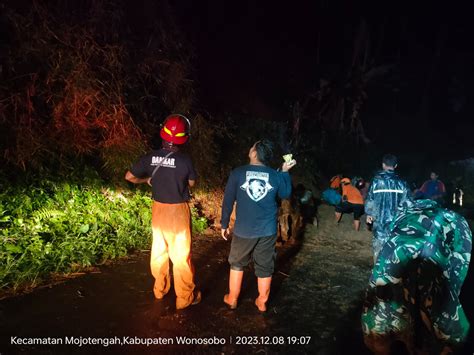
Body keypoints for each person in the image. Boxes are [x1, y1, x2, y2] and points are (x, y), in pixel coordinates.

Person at [362, 199, 472, 354]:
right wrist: (452, 287)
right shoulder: (454, 218)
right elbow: (461, 260)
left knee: (382, 319)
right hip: (430, 260)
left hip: (392, 261)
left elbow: (390, 238)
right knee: (446, 325)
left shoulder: (403, 215)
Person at [125, 114, 201, 310]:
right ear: (184, 138)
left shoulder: (150, 157)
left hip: (158, 211)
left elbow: (130, 177)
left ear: (163, 133)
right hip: (178, 212)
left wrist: (146, 180)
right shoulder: (185, 161)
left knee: (159, 251)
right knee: (181, 255)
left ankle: (160, 289)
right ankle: (184, 298)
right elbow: (192, 183)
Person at [220, 140, 296, 312]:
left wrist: (224, 223)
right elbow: (285, 194)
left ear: (254, 153)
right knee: (264, 265)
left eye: (252, 147)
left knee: (237, 262)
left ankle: (232, 298)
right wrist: (284, 172)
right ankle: (262, 301)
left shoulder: (238, 172)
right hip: (267, 230)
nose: (250, 149)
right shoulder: (275, 175)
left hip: (243, 230)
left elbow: (228, 200)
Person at [365, 154, 411, 259]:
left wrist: (369, 213)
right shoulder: (402, 183)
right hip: (396, 224)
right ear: (395, 166)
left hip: (379, 222)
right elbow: (408, 203)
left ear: (383, 165)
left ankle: (378, 272)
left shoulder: (376, 181)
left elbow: (370, 199)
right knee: (394, 250)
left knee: (378, 249)